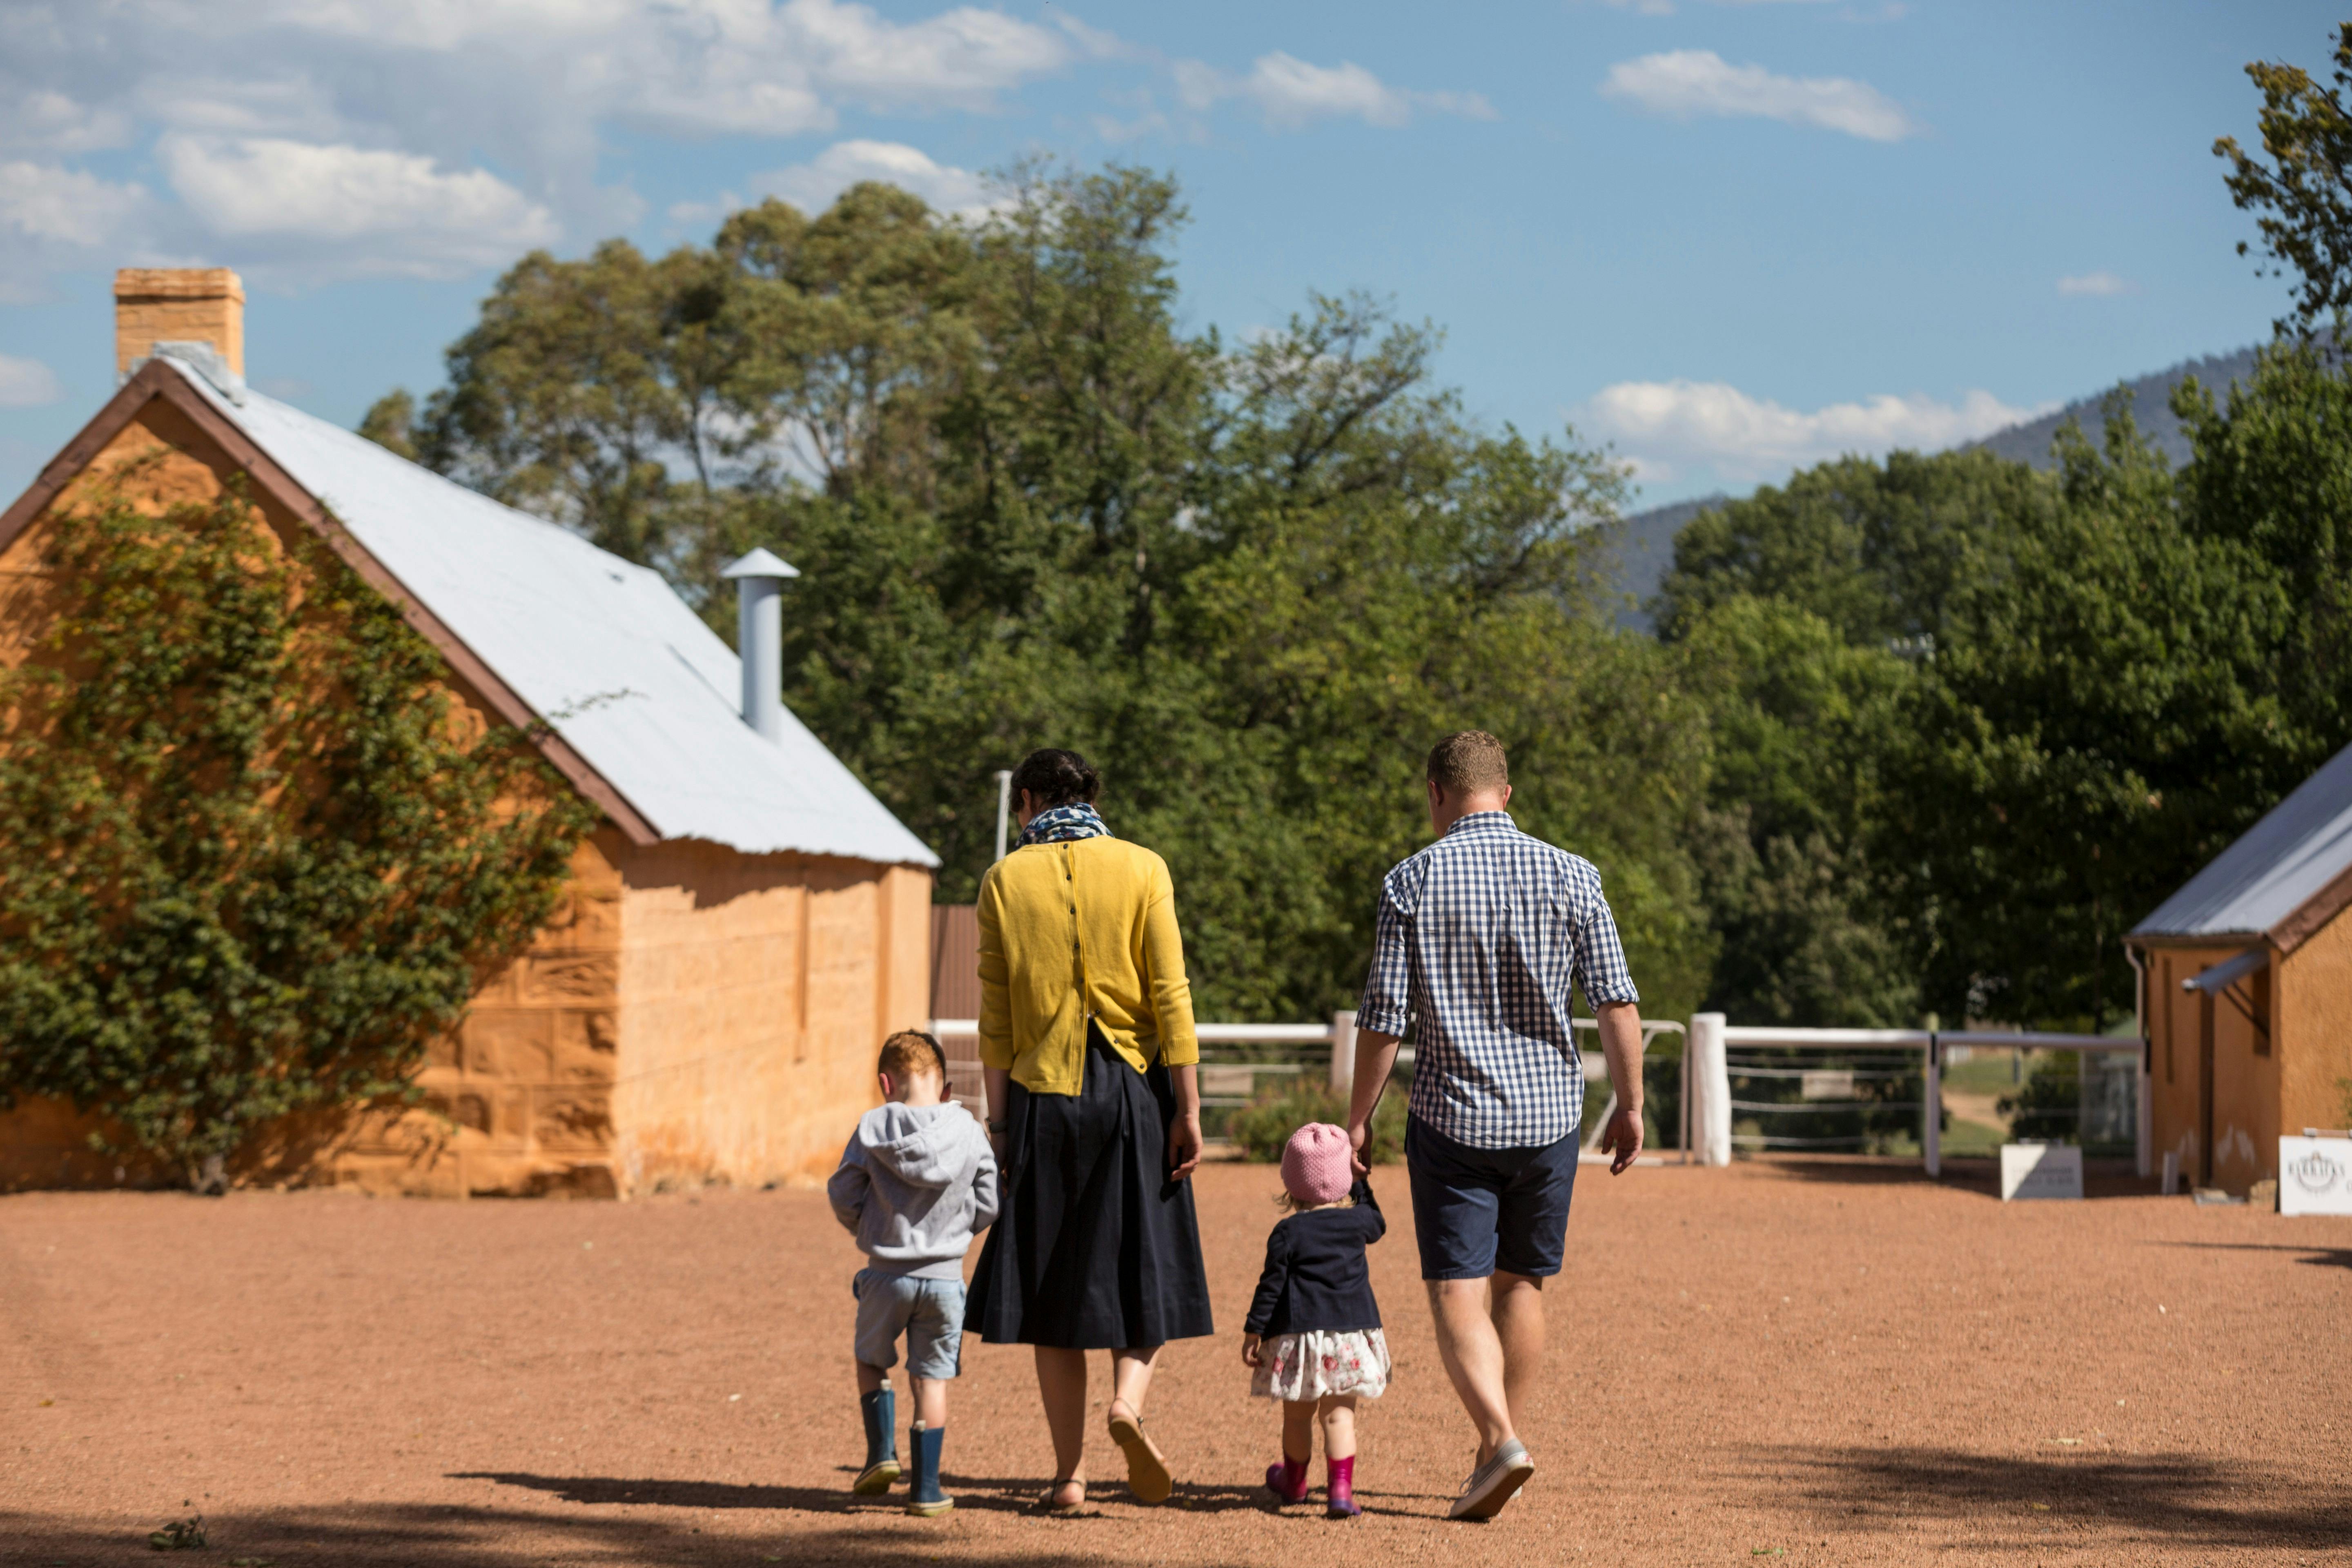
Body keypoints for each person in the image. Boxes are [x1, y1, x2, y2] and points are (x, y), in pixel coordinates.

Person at [1343, 730, 1646, 1521]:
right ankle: (1493, 1450)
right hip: (1549, 1120)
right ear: (1506, 794)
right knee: (1522, 1282)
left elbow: (1384, 1018)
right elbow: (1615, 999)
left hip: (1454, 1120)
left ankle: (1499, 1440)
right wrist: (1632, 1103)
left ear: (1436, 795)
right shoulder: (1574, 876)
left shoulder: (1413, 880)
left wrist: (1357, 1120)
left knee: (1456, 1291)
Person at [963, 747, 1215, 1512]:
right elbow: (1171, 992)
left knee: (1053, 1291)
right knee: (1147, 1264)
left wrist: (1001, 1130)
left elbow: (997, 1019)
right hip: (1135, 1095)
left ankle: (1069, 1477)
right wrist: (1189, 1108)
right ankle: (1127, 1407)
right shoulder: (1143, 867)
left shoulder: (1005, 880)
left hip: (1043, 1098)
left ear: (1031, 800)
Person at [826, 1028, 1000, 1517]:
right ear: (945, 1089)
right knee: (932, 1380)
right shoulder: (967, 1130)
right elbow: (990, 1200)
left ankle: (881, 1455)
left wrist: (870, 1228)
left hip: (884, 1273)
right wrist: (960, 1232)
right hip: (946, 1279)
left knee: (871, 1360)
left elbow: (842, 1192)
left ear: (886, 1083)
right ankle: (926, 1490)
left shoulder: (870, 1128)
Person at [1241, 1123, 1390, 1520]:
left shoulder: (1287, 1232)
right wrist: (1360, 1184)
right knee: (1339, 1416)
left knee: (1298, 1415)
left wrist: (1255, 1330)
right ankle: (1340, 1493)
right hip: (1349, 1336)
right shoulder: (1358, 1224)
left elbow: (1270, 1287)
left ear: (1291, 1182)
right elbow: (1378, 1221)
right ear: (1343, 1179)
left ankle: (1294, 1482)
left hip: (1300, 1337)